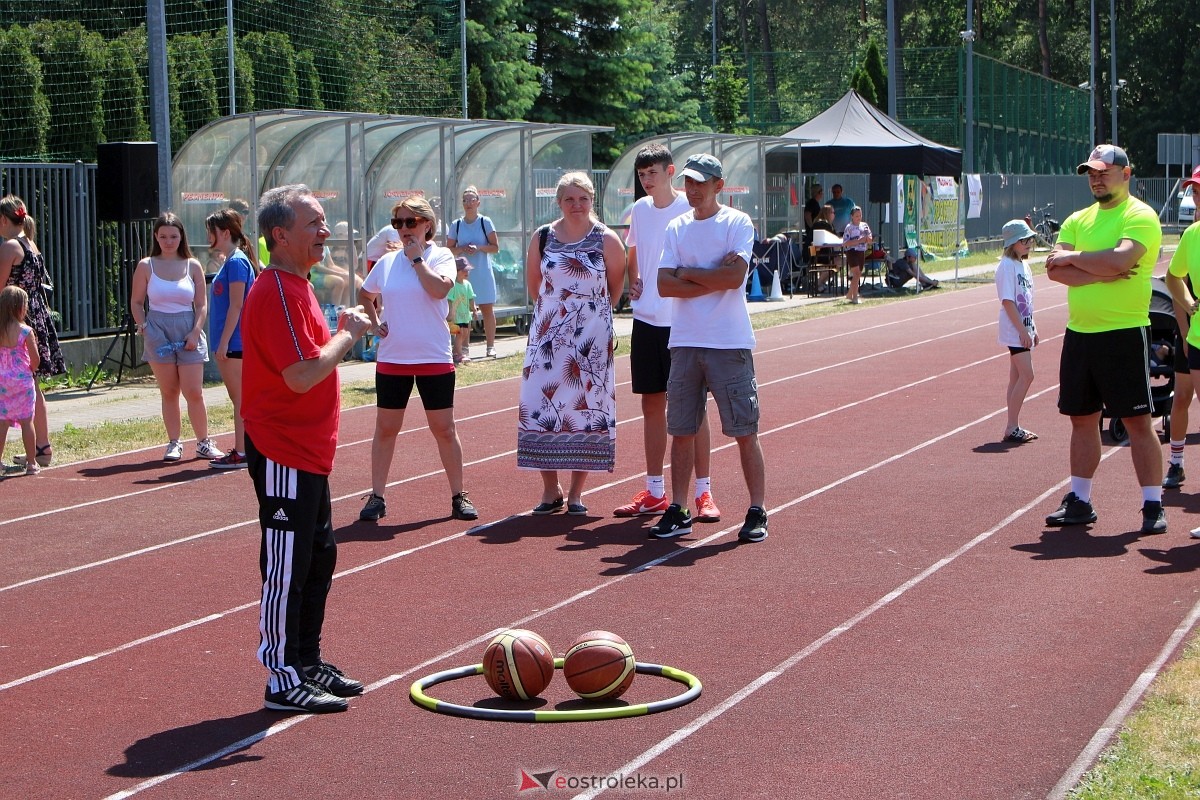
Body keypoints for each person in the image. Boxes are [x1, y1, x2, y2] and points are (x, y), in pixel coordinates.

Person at [242, 184, 373, 713]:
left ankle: (307, 659)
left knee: (319, 557)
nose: (325, 231)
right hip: (282, 449)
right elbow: (300, 375)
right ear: (281, 235)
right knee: (286, 565)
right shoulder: (275, 290)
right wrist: (348, 336)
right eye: (314, 223)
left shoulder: (298, 286)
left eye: (324, 221)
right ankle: (281, 674)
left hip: (307, 452)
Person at [1044, 144, 1166, 534]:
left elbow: (1120, 259)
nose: (1096, 179)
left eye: (1103, 172)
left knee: (1136, 420)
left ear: (1126, 174)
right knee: (1082, 420)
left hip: (1124, 332)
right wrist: (1102, 269)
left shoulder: (1139, 215)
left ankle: (1152, 505)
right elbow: (1055, 269)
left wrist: (1079, 259)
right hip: (1080, 333)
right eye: (1091, 173)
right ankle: (1080, 500)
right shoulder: (1078, 218)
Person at [654, 153, 768, 543]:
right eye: (688, 182)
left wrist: (687, 273)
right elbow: (663, 285)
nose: (692, 189)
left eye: (701, 183)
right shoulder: (676, 227)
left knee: (744, 430)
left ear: (719, 186)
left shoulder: (737, 222)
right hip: (685, 342)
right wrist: (711, 277)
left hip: (728, 342)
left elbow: (735, 278)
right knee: (681, 430)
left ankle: (756, 509)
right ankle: (680, 507)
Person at [614, 144, 720, 523]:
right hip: (645, 321)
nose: (646, 181)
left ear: (670, 171)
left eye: (652, 173)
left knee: (693, 409)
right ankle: (655, 491)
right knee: (650, 405)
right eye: (642, 175)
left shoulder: (688, 210)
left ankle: (703, 491)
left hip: (681, 323)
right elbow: (633, 250)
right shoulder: (639, 211)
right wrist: (634, 281)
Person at [357, 197, 478, 524]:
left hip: (433, 358)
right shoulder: (387, 262)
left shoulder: (441, 256)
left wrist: (417, 260)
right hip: (393, 358)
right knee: (386, 429)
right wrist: (373, 321)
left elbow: (439, 290)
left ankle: (458, 495)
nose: (404, 229)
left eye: (410, 222)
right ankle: (377, 496)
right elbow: (365, 294)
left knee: (443, 428)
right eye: (398, 223)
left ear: (427, 224)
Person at [517, 172, 625, 515]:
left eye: (583, 199)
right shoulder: (543, 236)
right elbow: (535, 284)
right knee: (539, 405)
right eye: (569, 199)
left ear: (592, 200)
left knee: (587, 409)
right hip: (548, 336)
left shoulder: (607, 239)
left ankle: (577, 492)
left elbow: (615, 288)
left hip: (591, 339)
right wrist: (557, 315)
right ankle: (551, 490)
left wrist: (588, 314)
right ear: (559, 202)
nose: (576, 205)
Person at [130, 213, 222, 463]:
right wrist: (146, 328)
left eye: (173, 236)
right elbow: (136, 303)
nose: (168, 241)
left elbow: (201, 304)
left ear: (181, 237)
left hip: (187, 328)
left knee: (194, 391)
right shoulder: (146, 265)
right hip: (157, 330)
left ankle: (203, 442)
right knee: (169, 391)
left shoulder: (192, 265)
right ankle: (174, 443)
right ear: (156, 238)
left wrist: (194, 332)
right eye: (163, 236)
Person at [0, 195, 64, 468]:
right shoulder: (30, 243)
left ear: (3, 219)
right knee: (32, 384)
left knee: (19, 383)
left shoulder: (10, 247)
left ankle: (39, 447)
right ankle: (42, 445)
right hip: (34, 317)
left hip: (12, 320)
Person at [205, 208, 259, 469]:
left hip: (235, 343)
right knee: (239, 398)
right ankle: (244, 448)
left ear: (225, 233)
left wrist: (225, 341)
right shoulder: (231, 260)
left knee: (240, 400)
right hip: (232, 343)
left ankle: (242, 450)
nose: (208, 237)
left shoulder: (237, 262)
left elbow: (236, 305)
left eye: (211, 232)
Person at [1164, 192, 1200, 518]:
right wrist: (1185, 329)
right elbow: (1175, 285)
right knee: (1181, 397)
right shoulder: (1190, 238)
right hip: (1190, 332)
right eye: (1197, 193)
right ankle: (1176, 462)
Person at [995, 219, 1039, 443]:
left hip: (1022, 327)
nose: (1029, 243)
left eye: (1030, 239)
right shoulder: (1006, 266)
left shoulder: (1024, 265)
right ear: (1013, 243)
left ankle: (1012, 425)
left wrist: (1033, 327)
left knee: (1016, 377)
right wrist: (1022, 330)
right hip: (1014, 329)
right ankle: (1012, 426)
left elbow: (1027, 301)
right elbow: (1008, 301)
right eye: (1025, 240)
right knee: (1027, 375)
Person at [446, 186, 501, 358]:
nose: (468, 203)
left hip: (483, 273)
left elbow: (495, 247)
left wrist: (478, 248)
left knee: (487, 309)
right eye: (465, 200)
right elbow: (449, 250)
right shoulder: (457, 225)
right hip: (463, 276)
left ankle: (490, 346)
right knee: (462, 311)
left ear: (478, 202)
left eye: (471, 200)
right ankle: (463, 349)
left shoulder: (486, 222)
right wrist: (462, 248)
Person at [0, 286, 39, 476]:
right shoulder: (25, 331)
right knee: (27, 421)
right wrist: (29, 370)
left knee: (2, 423)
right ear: (19, 307)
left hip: (2, 382)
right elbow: (36, 359)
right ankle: (31, 463)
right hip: (22, 381)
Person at [446, 256, 477, 365]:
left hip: (465, 315)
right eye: (464, 270)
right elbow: (449, 300)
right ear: (456, 271)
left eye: (468, 270)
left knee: (464, 333)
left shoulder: (467, 284)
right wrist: (450, 313)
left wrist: (474, 309)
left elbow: (471, 298)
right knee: (459, 334)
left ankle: (455, 352)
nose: (467, 272)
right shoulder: (453, 286)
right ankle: (458, 354)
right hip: (456, 316)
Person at [841, 205, 872, 305]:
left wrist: (867, 238)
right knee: (857, 273)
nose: (859, 218)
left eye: (860, 215)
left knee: (858, 274)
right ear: (852, 217)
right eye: (856, 216)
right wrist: (858, 241)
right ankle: (855, 296)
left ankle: (850, 294)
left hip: (861, 252)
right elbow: (845, 243)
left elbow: (870, 239)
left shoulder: (864, 226)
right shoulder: (849, 228)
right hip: (852, 252)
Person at [802, 183, 824, 255]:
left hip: (815, 232)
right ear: (819, 192)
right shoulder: (812, 203)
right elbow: (807, 215)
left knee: (816, 249)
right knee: (812, 248)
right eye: (821, 191)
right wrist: (812, 227)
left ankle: (814, 260)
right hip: (812, 233)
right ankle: (811, 262)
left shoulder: (815, 203)